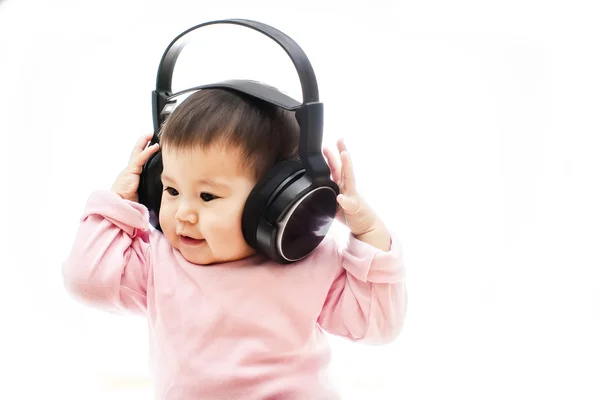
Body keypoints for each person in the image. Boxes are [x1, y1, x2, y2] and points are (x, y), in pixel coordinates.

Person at [62, 87, 408, 399]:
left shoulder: (310, 262)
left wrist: (367, 229)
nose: (183, 213)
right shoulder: (159, 262)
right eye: (170, 190)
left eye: (208, 196)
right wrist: (118, 203)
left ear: (277, 198)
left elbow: (377, 324)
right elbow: (87, 281)